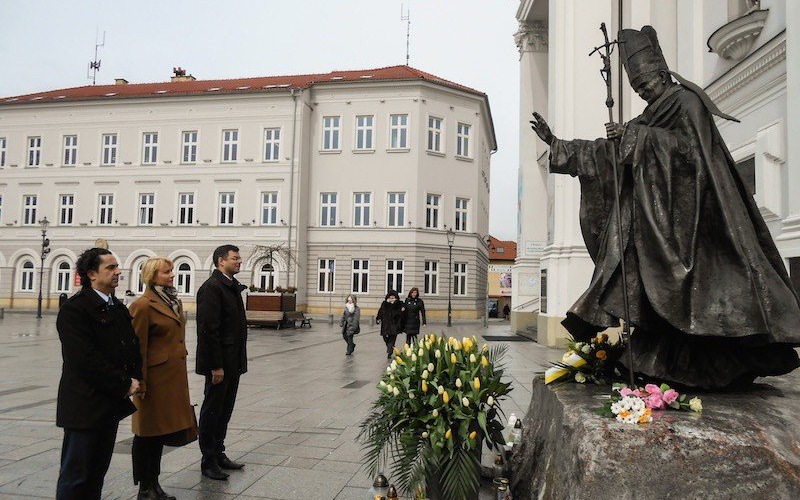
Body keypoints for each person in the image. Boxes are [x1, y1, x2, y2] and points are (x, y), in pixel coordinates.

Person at [529, 25, 800, 389]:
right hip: (654, 224)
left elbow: (694, 156)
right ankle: (660, 357)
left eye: (647, 86)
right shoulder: (649, 115)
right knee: (627, 252)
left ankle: (718, 359)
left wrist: (637, 138)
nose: (643, 93)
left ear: (661, 73)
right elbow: (606, 154)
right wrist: (559, 144)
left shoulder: (687, 103)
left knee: (692, 290)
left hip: (696, 225)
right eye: (638, 89)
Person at [55, 247, 143, 500]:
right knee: (76, 475)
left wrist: (137, 377)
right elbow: (84, 359)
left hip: (108, 403)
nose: (118, 271)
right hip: (84, 405)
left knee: (97, 472)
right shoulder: (76, 309)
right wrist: (124, 382)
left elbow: (129, 346)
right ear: (92, 274)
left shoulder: (115, 306)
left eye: (117, 266)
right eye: (111, 267)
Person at [129, 257, 195, 500]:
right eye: (167, 272)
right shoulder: (143, 305)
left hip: (171, 380)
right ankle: (145, 488)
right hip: (152, 382)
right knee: (146, 434)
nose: (172, 275)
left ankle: (154, 484)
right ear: (152, 276)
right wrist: (140, 383)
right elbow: (137, 348)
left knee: (158, 435)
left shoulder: (172, 301)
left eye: (171, 271)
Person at [196, 244, 248, 480]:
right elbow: (209, 330)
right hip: (221, 364)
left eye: (239, 258)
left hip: (232, 361)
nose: (239, 261)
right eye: (235, 258)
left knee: (224, 411)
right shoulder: (212, 288)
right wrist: (215, 366)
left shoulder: (230, 286)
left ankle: (219, 453)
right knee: (212, 411)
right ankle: (208, 461)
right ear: (220, 261)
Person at [376, 290, 406, 359]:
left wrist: (401, 310)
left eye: (393, 297)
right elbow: (380, 311)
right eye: (390, 297)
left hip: (395, 324)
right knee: (384, 337)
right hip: (385, 324)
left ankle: (390, 351)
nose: (392, 299)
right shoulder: (384, 303)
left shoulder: (399, 304)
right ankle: (390, 347)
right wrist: (378, 318)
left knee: (392, 338)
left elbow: (403, 311)